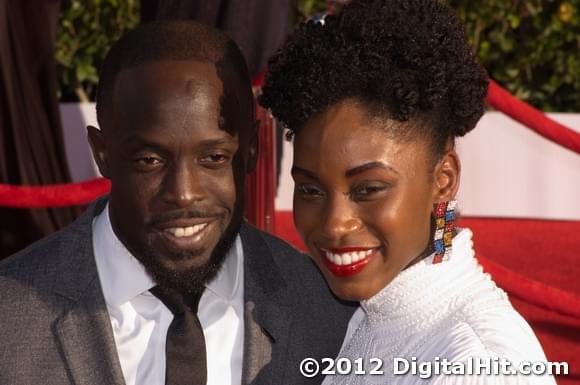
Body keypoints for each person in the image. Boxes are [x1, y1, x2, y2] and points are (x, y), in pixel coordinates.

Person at [0, 21, 355, 385]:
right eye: (149, 160)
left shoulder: (330, 311)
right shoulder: (9, 317)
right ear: (102, 154)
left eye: (214, 157)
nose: (184, 193)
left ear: (251, 151)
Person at [259, 0, 556, 384]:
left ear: (443, 180)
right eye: (311, 190)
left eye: (368, 189)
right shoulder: (374, 313)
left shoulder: (476, 365)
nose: (334, 224)